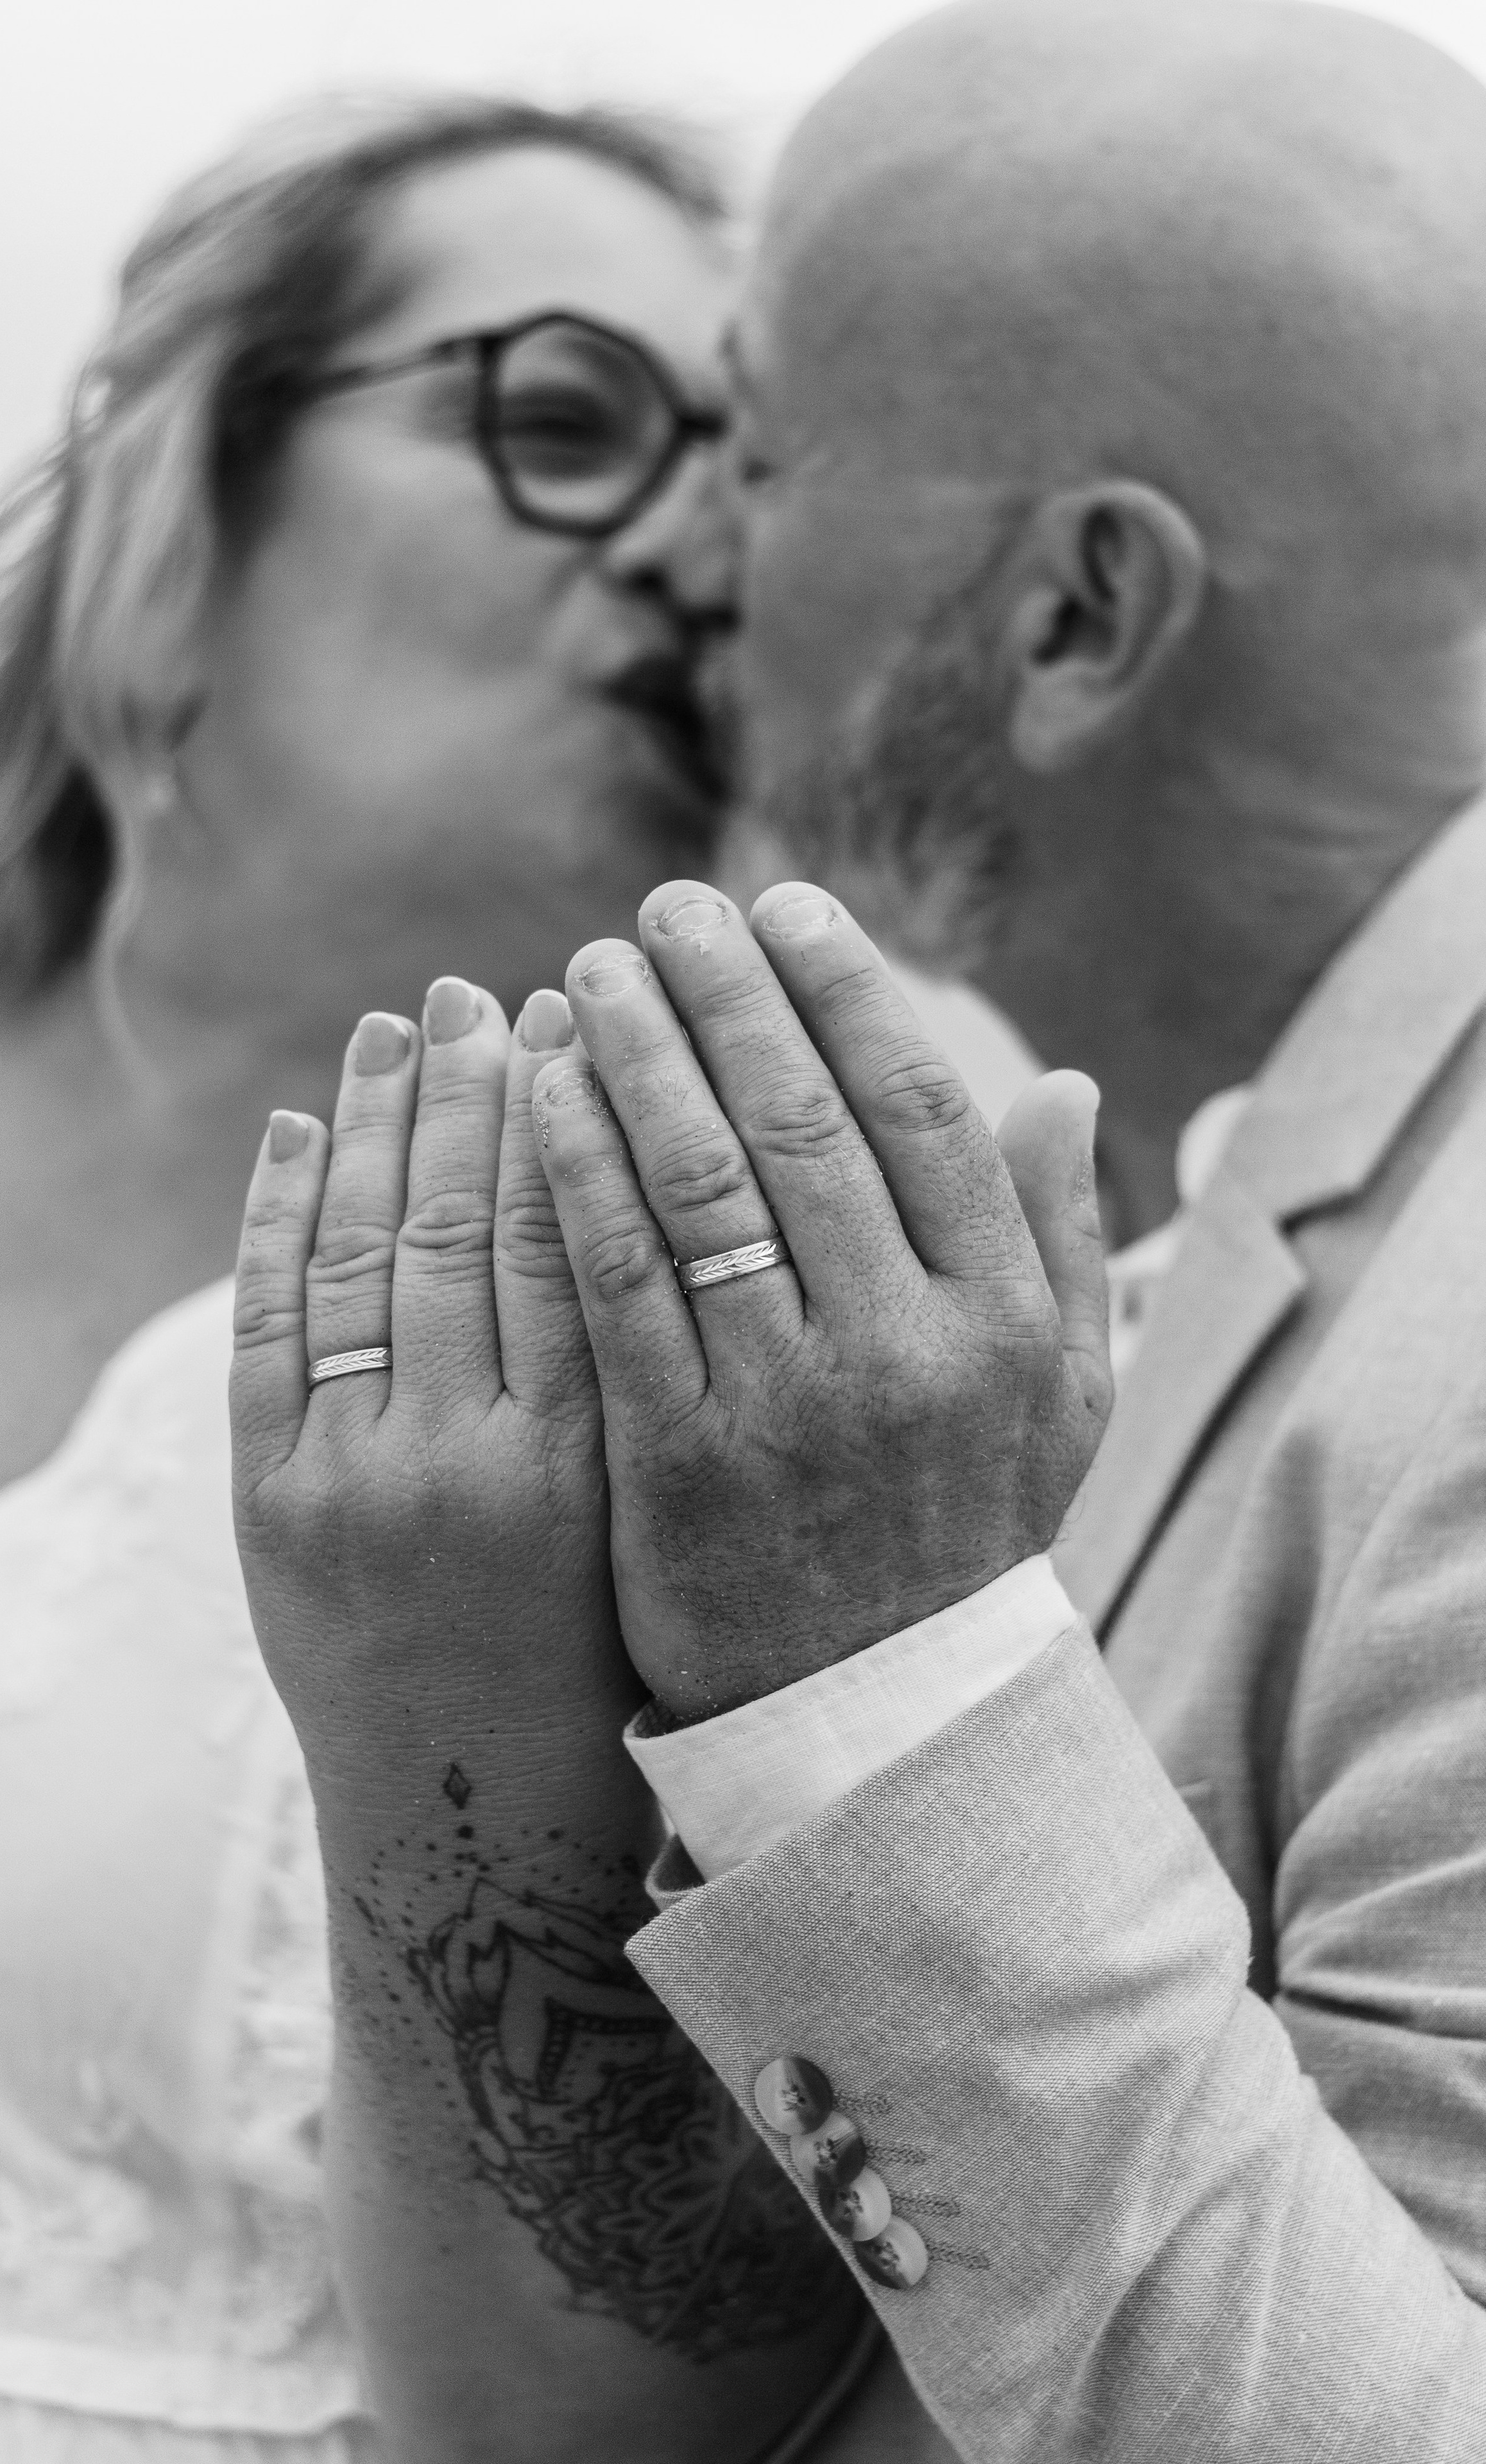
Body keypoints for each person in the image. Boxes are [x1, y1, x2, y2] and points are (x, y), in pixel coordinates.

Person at [228, 1, 1486, 2456]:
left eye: (765, 451)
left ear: (1074, 619)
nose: (695, 561)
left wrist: (892, 1683)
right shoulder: (1160, 1211)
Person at [0, 92, 860, 2464]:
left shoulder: (749, 1331)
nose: (698, 554)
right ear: (186, 479)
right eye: (568, 422)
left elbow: (662, 2392)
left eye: (751, 478)